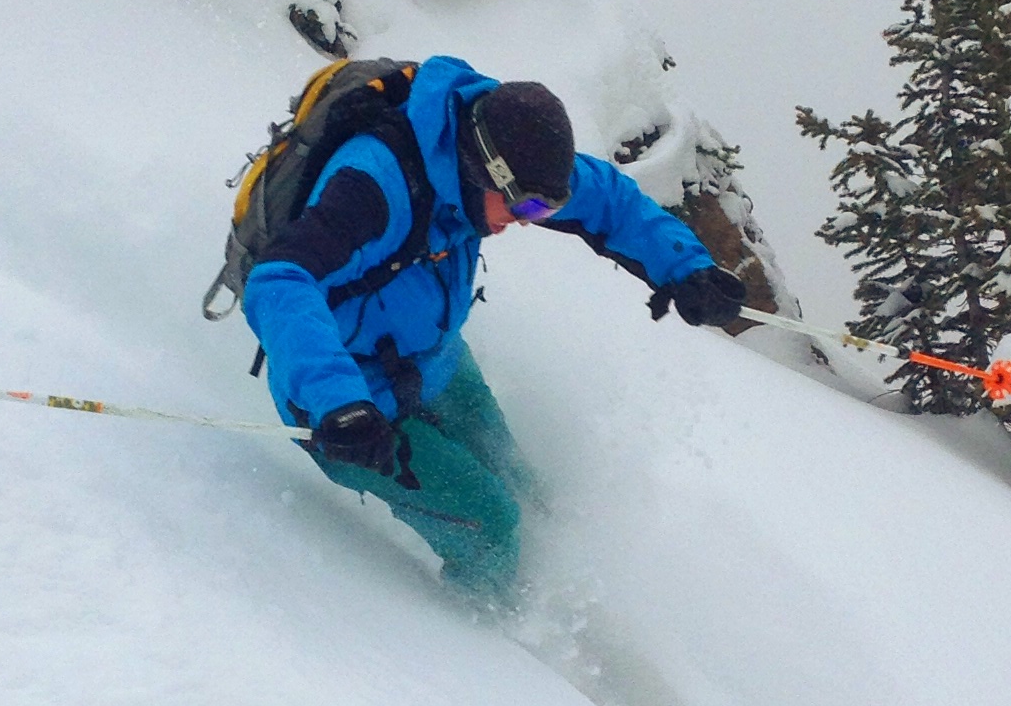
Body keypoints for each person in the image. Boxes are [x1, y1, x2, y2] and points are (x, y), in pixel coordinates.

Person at [241, 56, 745, 596]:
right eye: (523, 206)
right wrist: (337, 403)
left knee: (530, 499)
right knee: (494, 525)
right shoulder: (373, 187)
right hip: (346, 408)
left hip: (436, 364)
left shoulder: (498, 157)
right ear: (485, 169)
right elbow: (280, 279)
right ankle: (493, 647)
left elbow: (609, 199)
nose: (526, 220)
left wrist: (686, 269)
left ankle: (552, 610)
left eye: (541, 210)